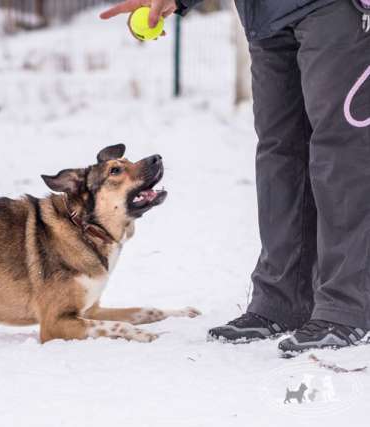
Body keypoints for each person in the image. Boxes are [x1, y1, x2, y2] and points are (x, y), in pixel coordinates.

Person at [100, 0, 370, 356]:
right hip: (265, 15)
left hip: (336, 10)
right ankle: (282, 300)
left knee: (341, 153)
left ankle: (347, 306)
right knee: (279, 154)